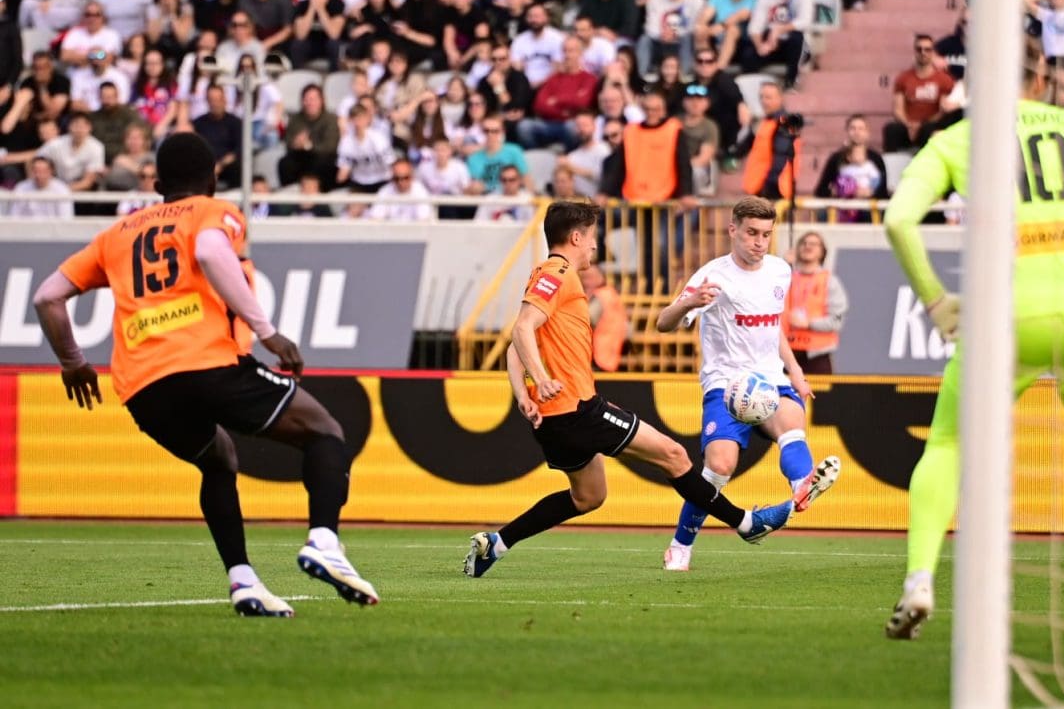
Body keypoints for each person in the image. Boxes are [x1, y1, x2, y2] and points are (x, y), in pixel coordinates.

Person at [880, 41, 1064, 645]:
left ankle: (919, 581)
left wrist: (936, 301)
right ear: (1041, 78)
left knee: (947, 442)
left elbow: (897, 220)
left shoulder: (958, 139)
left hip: (1006, 315)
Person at [31, 134, 379, 617]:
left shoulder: (117, 235)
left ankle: (244, 581)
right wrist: (268, 332)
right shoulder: (212, 212)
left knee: (219, 459)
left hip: (142, 387)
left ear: (157, 185)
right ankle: (323, 542)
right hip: (207, 362)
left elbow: (47, 297)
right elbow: (213, 253)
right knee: (324, 431)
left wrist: (72, 362)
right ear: (213, 179)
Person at [464, 200, 799, 578]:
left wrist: (522, 396)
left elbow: (517, 344)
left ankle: (497, 543)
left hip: (553, 419)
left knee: (588, 497)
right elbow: (522, 329)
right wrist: (540, 380)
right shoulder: (559, 272)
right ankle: (745, 523)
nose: (595, 245)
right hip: (577, 409)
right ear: (576, 238)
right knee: (674, 455)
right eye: (592, 237)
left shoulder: (544, 274)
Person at [655, 196, 841, 572]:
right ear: (733, 230)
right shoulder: (713, 276)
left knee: (792, 423)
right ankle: (681, 544)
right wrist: (689, 303)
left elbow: (773, 327)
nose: (759, 242)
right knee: (719, 466)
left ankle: (802, 486)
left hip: (770, 379)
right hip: (727, 385)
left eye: (766, 234)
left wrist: (795, 371)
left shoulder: (779, 270)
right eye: (752, 233)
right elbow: (663, 323)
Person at [783, 231, 848, 374]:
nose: (808, 246)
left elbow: (836, 321)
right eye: (804, 243)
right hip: (785, 355)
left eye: (813, 244)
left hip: (817, 356)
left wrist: (809, 323)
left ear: (822, 252)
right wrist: (784, 265)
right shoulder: (784, 277)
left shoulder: (829, 281)